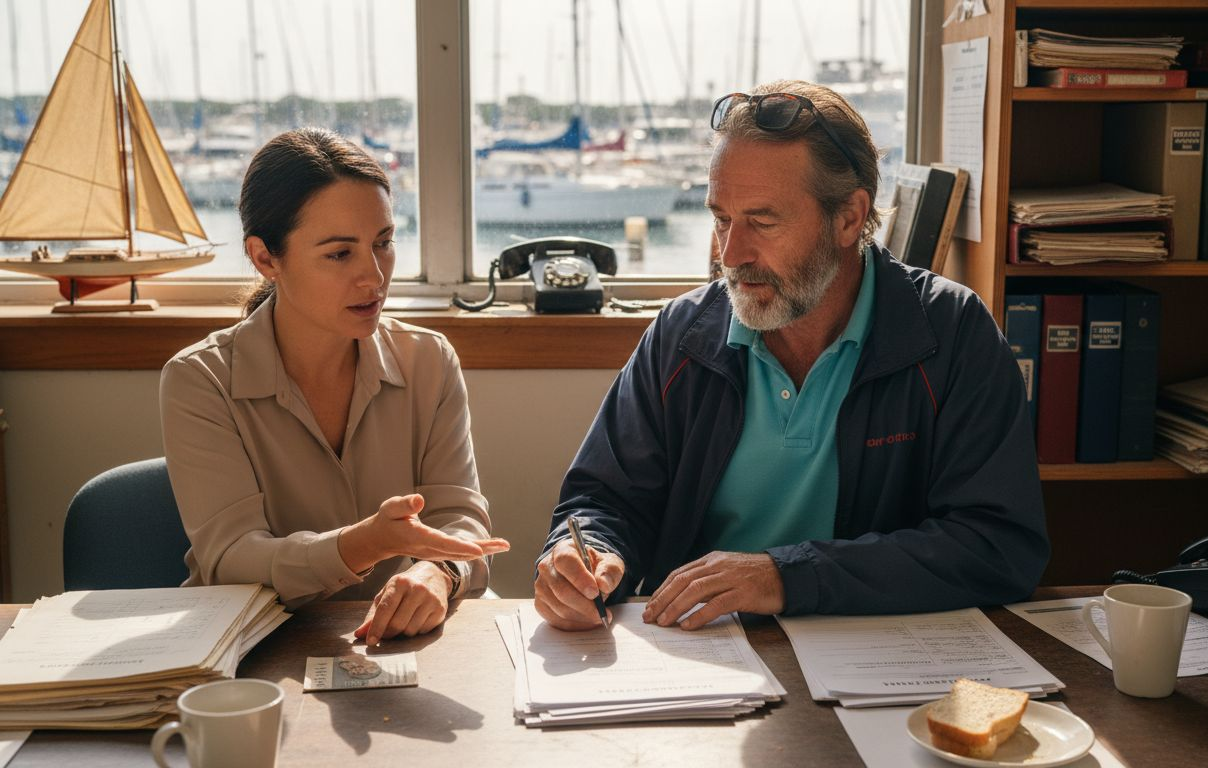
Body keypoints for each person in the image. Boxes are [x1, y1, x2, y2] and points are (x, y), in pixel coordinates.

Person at [534, 81, 1048, 631]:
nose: (730, 254)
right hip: (703, 655)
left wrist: (787, 576)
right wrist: (584, 554)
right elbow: (601, 499)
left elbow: (999, 546)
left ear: (849, 218)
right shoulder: (682, 333)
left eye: (762, 221)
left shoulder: (952, 332)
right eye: (722, 218)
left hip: (878, 660)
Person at [161, 128, 509, 647]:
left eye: (384, 243)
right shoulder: (199, 379)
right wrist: (361, 545)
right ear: (265, 259)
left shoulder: (429, 360)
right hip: (252, 650)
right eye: (340, 254)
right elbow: (231, 557)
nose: (374, 277)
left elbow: (459, 517)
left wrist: (438, 573)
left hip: (406, 644)